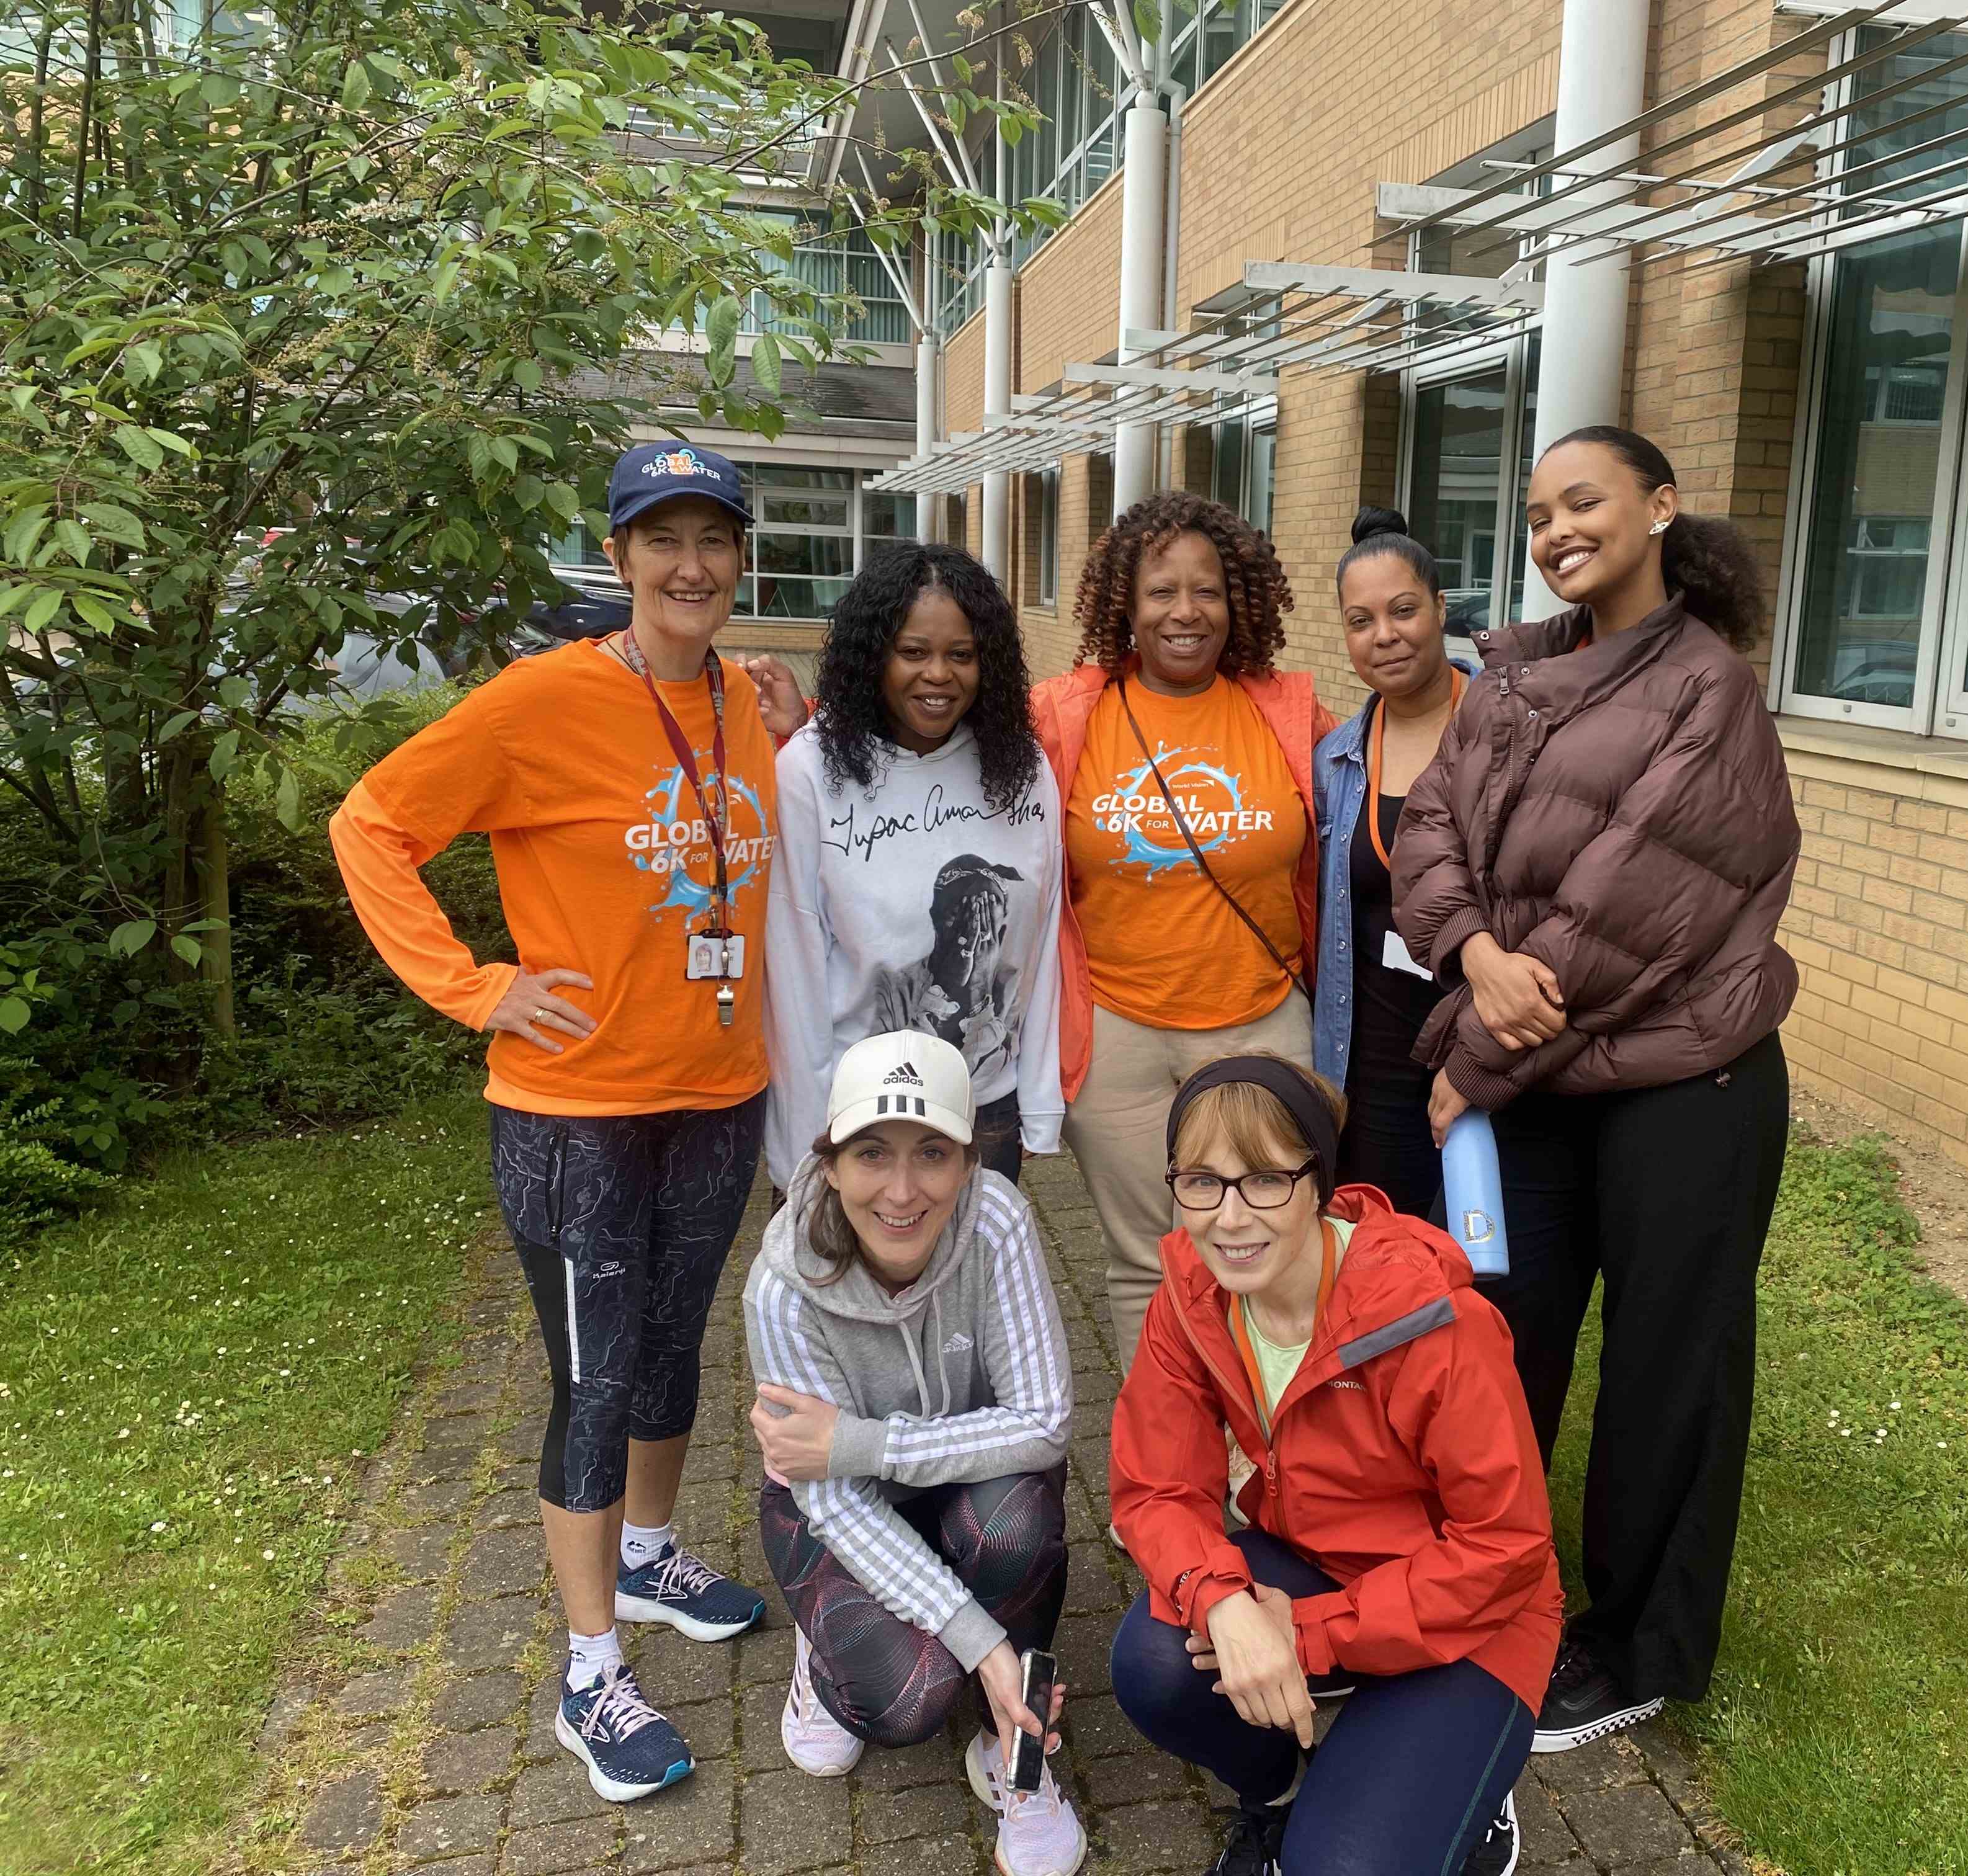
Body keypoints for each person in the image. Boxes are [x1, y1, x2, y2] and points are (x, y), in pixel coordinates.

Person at [331, 440, 810, 1802]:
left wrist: (801, 713)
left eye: (713, 540)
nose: (692, 566)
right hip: (577, 1113)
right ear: (619, 560)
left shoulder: (750, 704)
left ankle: (647, 1557)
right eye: (663, 541)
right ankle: (588, 1670)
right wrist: (475, 989)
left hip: (720, 1093)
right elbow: (371, 826)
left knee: (673, 1345)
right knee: (594, 1384)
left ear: (737, 558)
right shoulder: (539, 704)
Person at [1395, 424, 1800, 1753]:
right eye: (1537, 513)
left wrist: (1477, 1050)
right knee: (1505, 1340)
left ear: (1660, 508)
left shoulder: (1709, 691)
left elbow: (1633, 909)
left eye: (1585, 502)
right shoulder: (1512, 674)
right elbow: (1432, 830)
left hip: (1687, 1080)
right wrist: (1469, 952)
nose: (1558, 528)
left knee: (1665, 1374)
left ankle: (1634, 1646)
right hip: (1542, 1074)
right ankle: (1491, 1583)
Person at [1107, 1054, 1562, 1876]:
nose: (1230, 1217)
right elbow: (1158, 1489)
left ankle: (1467, 1793)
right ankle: (1276, 1793)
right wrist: (1224, 1604)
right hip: (1316, 1558)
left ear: (1319, 1182)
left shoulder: (1431, 1321)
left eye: (1267, 1181)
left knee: (1344, 1867)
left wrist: (1308, 1635)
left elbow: (1505, 1547)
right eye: (1202, 1182)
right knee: (1153, 1659)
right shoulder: (1189, 1295)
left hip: (1475, 1614)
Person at [743, 1031, 1085, 1876]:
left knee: (1016, 1524)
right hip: (841, 1503)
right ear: (826, 1163)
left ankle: (1020, 1754)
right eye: (871, 1154)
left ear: (969, 1161)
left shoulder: (998, 1217)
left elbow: (1045, 1422)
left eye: (932, 1154)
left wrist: (862, 1442)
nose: (902, 1191)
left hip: (960, 1480)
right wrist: (978, 1642)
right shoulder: (779, 1286)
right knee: (902, 1703)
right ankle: (822, 1650)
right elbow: (828, 1494)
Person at [1032, 491, 1334, 1374]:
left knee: (1263, 1253)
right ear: (1124, 601)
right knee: (1145, 1264)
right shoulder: (1064, 715)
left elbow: (1396, 777)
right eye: (1162, 590)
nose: (1185, 611)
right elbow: (951, 765)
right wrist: (808, 729)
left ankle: (1259, 1463)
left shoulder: (1286, 716)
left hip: (1260, 1023)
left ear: (1239, 601)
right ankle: (1157, 1481)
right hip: (1117, 1035)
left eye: (1207, 590)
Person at [764, 542, 1061, 1194]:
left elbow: (1041, 953)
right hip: (863, 1116)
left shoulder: (1023, 771)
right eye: (913, 652)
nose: (939, 675)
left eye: (961, 655)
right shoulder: (810, 773)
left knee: (975, 1294)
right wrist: (802, 1152)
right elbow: (793, 977)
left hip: (984, 1109)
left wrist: (1039, 1106)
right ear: (874, 656)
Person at [1312, 507, 1470, 1217]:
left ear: (1440, 608)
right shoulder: (1338, 758)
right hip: (1372, 1057)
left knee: (1488, 1263)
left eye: (1403, 610)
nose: (1385, 636)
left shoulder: (1512, 733)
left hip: (1486, 1045)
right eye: (1361, 621)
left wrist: (1482, 1060)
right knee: (1377, 1256)